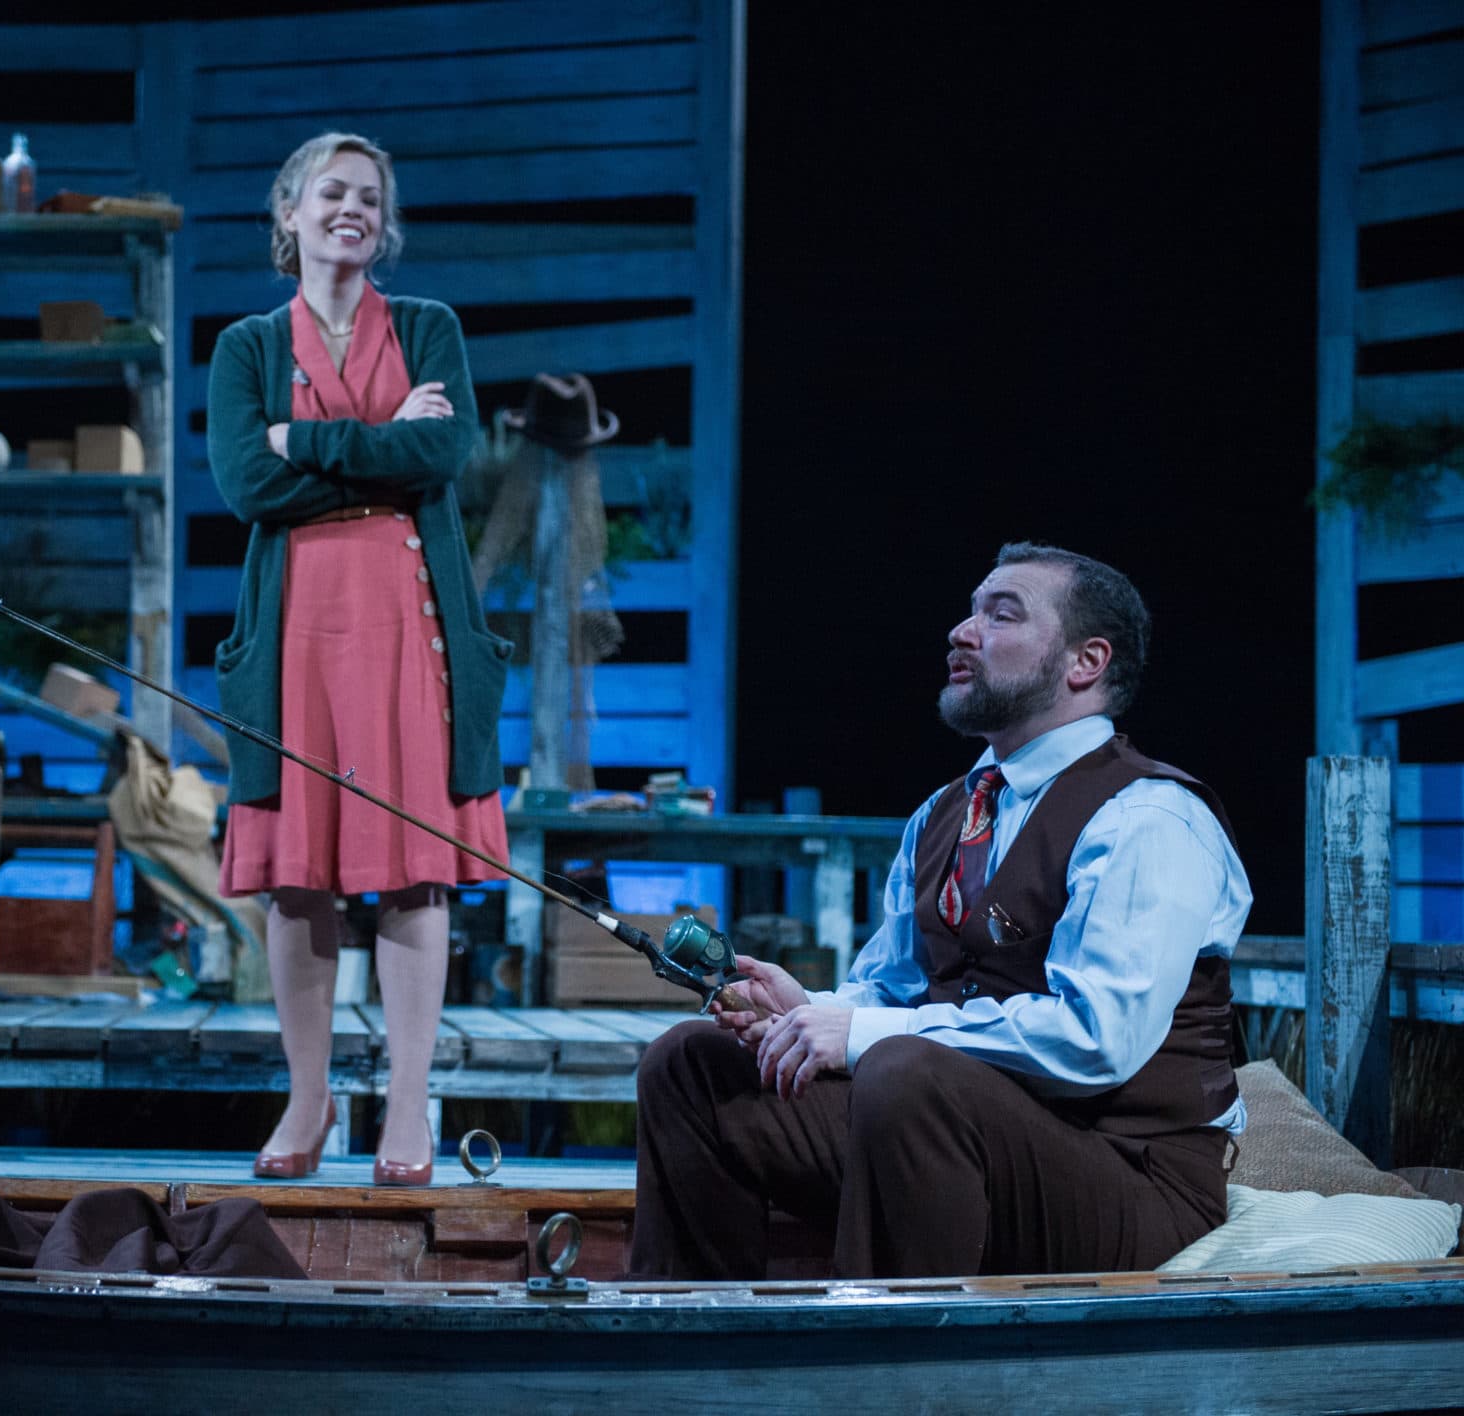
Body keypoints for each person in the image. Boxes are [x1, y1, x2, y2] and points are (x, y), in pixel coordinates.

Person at [630, 541, 1249, 1278]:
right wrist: (807, 1014)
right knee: (694, 1065)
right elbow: (893, 988)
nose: (962, 631)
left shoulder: (1149, 818)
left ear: (1087, 662)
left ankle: (889, 1376)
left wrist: (862, 1035)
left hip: (1130, 1178)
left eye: (1002, 614)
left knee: (905, 1072)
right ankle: (703, 1347)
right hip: (946, 1140)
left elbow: (1096, 1039)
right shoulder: (945, 814)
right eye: (969, 611)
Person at [207, 133, 512, 1186]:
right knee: (300, 881)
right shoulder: (246, 347)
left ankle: (410, 1106)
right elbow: (247, 485)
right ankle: (307, 1098)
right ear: (287, 213)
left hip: (407, 635)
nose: (352, 209)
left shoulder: (427, 328)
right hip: (295, 644)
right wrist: (372, 438)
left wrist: (307, 440)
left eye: (369, 197)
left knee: (413, 875)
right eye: (330, 193)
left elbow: (439, 455)